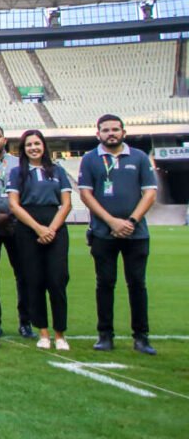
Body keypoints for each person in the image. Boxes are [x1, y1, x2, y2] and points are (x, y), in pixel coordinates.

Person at [78, 114, 158, 355]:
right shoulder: (90, 159)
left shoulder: (139, 157)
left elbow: (150, 193)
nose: (110, 133)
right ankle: (105, 335)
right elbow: (85, 194)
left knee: (137, 284)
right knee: (105, 283)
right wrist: (112, 221)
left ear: (124, 132)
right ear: (97, 134)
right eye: (105, 130)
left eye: (115, 129)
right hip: (103, 232)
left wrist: (131, 220)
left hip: (136, 233)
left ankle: (141, 337)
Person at [7, 129, 72, 351]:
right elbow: (14, 204)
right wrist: (37, 228)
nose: (33, 148)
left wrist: (51, 229)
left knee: (57, 279)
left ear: (44, 146)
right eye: (28, 145)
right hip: (28, 227)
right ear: (23, 149)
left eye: (37, 143)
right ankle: (43, 332)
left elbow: (66, 204)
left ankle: (60, 333)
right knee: (33, 281)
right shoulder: (17, 172)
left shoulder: (58, 171)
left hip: (54, 224)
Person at [0, 122, 31, 339]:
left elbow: (28, 194)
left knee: (24, 275)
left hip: (16, 226)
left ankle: (26, 322)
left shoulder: (18, 164)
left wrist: (10, 215)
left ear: (4, 139)